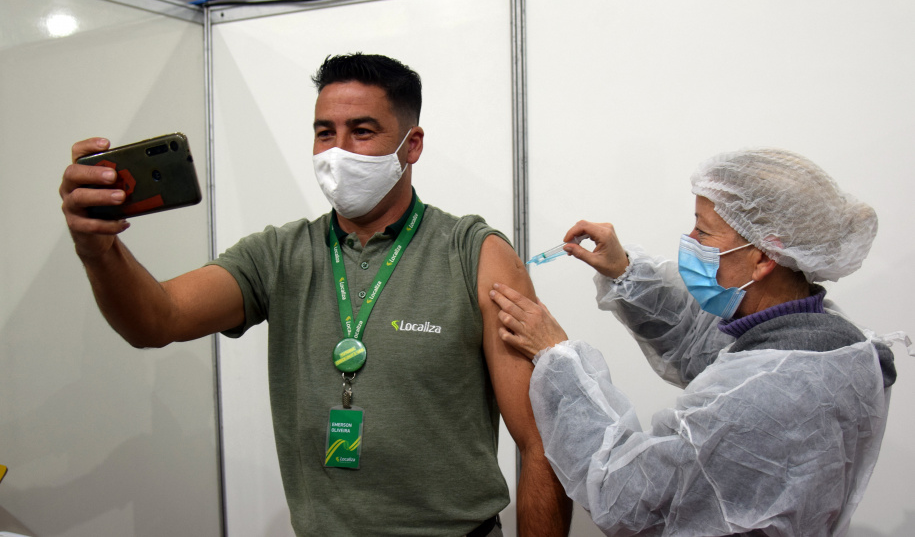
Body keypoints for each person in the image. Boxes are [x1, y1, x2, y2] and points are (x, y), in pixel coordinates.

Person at [60, 53, 571, 537]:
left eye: (362, 131)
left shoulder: (474, 254)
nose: (337, 152)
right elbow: (158, 320)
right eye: (324, 133)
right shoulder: (278, 255)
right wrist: (98, 249)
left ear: (411, 145)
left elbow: (542, 442)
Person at [490, 148, 907, 536]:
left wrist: (559, 359)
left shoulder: (772, 389)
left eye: (704, 232)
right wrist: (626, 274)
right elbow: (700, 342)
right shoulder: (823, 338)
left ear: (763, 257)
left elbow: (629, 494)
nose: (690, 241)